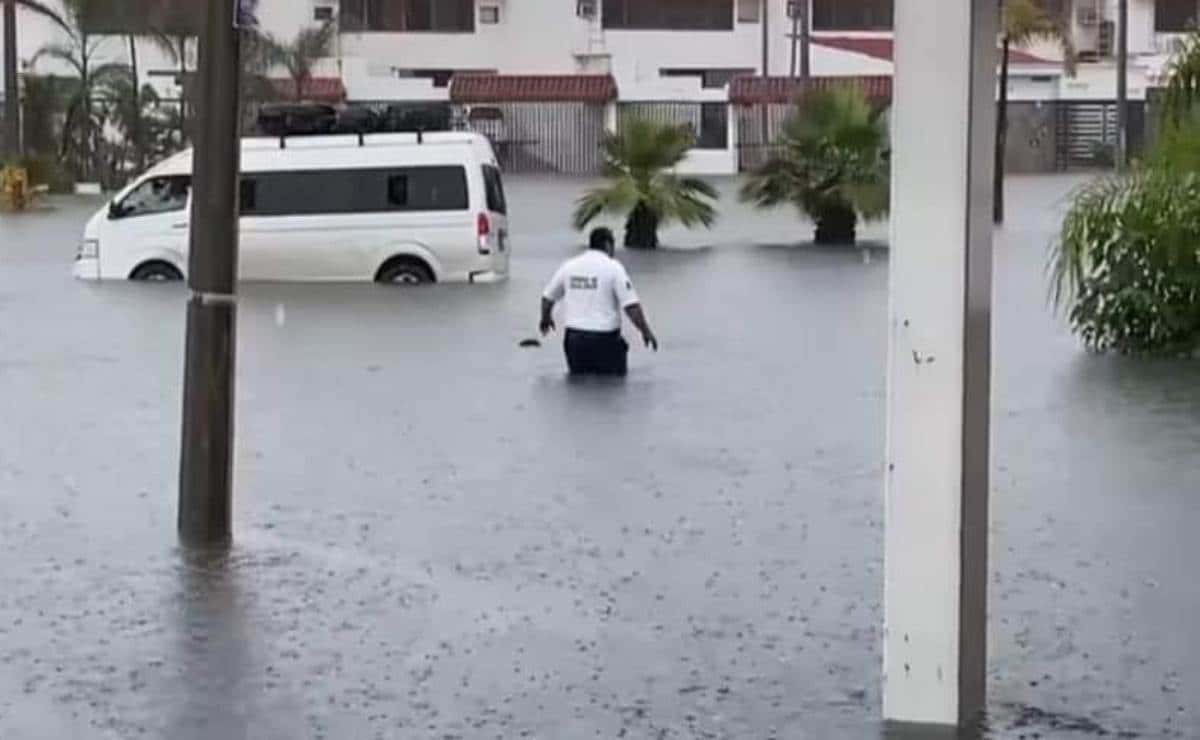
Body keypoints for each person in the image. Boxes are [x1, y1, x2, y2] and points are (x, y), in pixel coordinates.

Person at [540, 227, 658, 377]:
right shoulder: (613, 268)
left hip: (575, 340)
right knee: (611, 389)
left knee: (578, 386)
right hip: (605, 339)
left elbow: (547, 297)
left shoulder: (569, 266)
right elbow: (631, 306)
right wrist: (645, 331)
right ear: (608, 245)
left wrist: (545, 319)